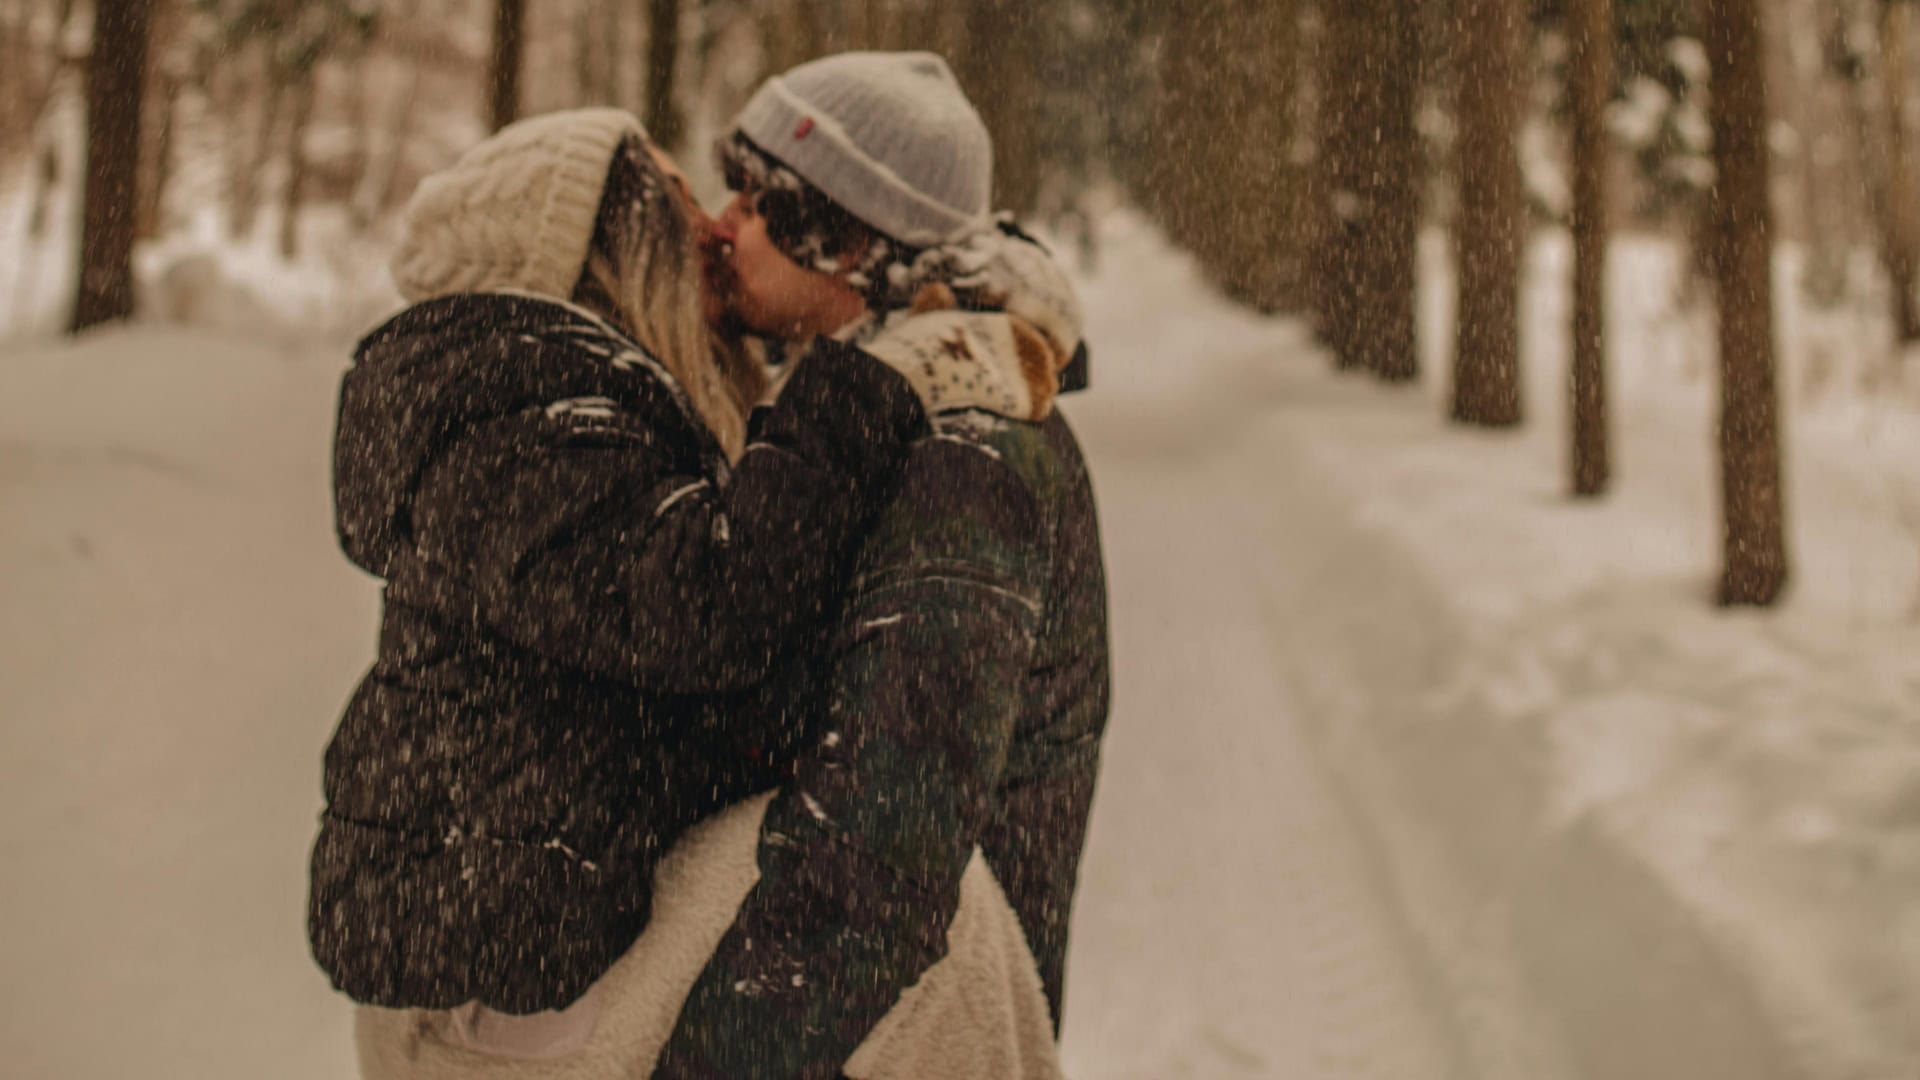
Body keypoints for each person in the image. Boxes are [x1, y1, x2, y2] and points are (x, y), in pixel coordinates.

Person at [310, 108, 1061, 1076]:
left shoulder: (574, 411)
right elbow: (703, 611)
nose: (713, 227)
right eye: (678, 200)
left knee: (919, 914)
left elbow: (687, 669)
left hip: (549, 912)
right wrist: (880, 384)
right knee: (932, 938)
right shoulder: (512, 399)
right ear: (608, 242)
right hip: (489, 976)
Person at [649, 52, 1113, 1079]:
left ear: (848, 243)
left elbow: (874, 865)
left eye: (760, 202)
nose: (723, 224)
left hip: (912, 1037)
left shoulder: (965, 459)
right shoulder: (879, 413)